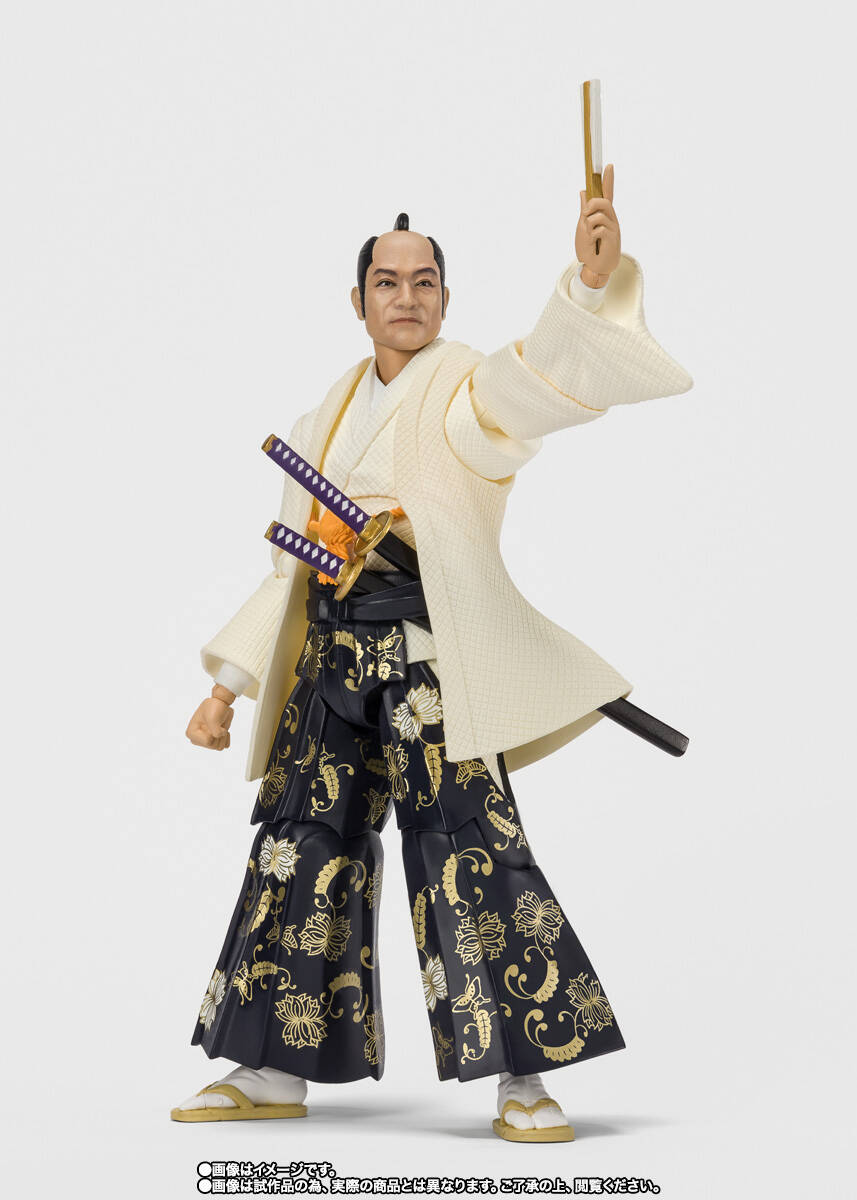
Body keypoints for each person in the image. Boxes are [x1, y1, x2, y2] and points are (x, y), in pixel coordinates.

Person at [173, 166, 692, 1141]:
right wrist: (227, 686)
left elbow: (530, 386)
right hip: (329, 663)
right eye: (386, 282)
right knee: (299, 844)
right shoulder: (319, 421)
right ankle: (275, 1064)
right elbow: (289, 569)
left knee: (466, 846)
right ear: (358, 301)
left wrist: (584, 290)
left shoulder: (463, 391)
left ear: (444, 300)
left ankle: (524, 1073)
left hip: (427, 662)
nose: (405, 297)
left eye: (423, 282)